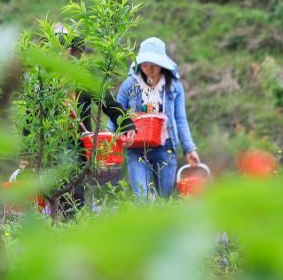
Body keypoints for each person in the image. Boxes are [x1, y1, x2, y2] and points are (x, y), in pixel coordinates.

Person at [21, 24, 135, 214]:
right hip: (49, 150)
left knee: (74, 202)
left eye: (63, 46)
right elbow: (30, 117)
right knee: (49, 202)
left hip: (76, 151)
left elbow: (108, 103)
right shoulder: (41, 78)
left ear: (72, 50)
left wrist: (127, 123)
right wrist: (25, 156)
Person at [109, 37, 201, 199]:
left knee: (164, 198)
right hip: (136, 147)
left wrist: (189, 148)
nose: (149, 69)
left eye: (154, 65)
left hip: (165, 147)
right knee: (141, 198)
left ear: (162, 65)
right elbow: (115, 112)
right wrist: (108, 140)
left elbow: (180, 118)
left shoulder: (173, 87)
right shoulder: (130, 85)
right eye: (145, 64)